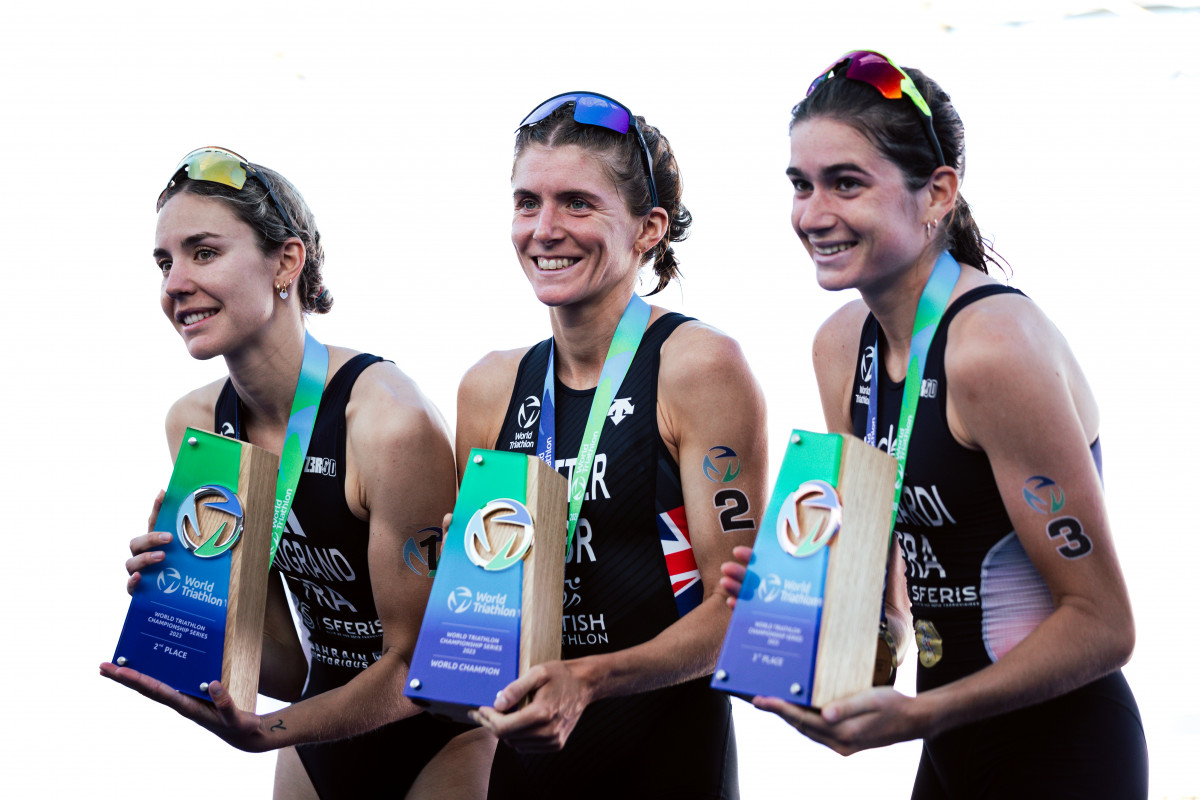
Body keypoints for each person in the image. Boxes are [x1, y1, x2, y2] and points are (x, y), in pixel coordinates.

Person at [721, 51, 1148, 797]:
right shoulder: (839, 348)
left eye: (846, 183)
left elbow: (1105, 624)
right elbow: (888, 602)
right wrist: (798, 614)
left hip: (1065, 752)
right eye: (801, 184)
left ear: (938, 192)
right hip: (950, 745)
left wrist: (919, 714)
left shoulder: (994, 348)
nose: (812, 215)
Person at [99, 147, 492, 799]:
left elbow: (426, 667)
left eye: (204, 253)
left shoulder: (387, 422)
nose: (174, 285)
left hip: (438, 736)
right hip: (319, 727)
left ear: (286, 262)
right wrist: (186, 597)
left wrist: (266, 733)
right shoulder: (197, 426)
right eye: (165, 263)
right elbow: (284, 664)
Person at [456, 93, 767, 799]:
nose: (545, 229)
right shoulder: (490, 387)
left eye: (577, 203)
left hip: (669, 764)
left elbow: (737, 608)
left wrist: (589, 680)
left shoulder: (697, 366)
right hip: (528, 770)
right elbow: (478, 624)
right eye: (527, 202)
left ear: (648, 229)